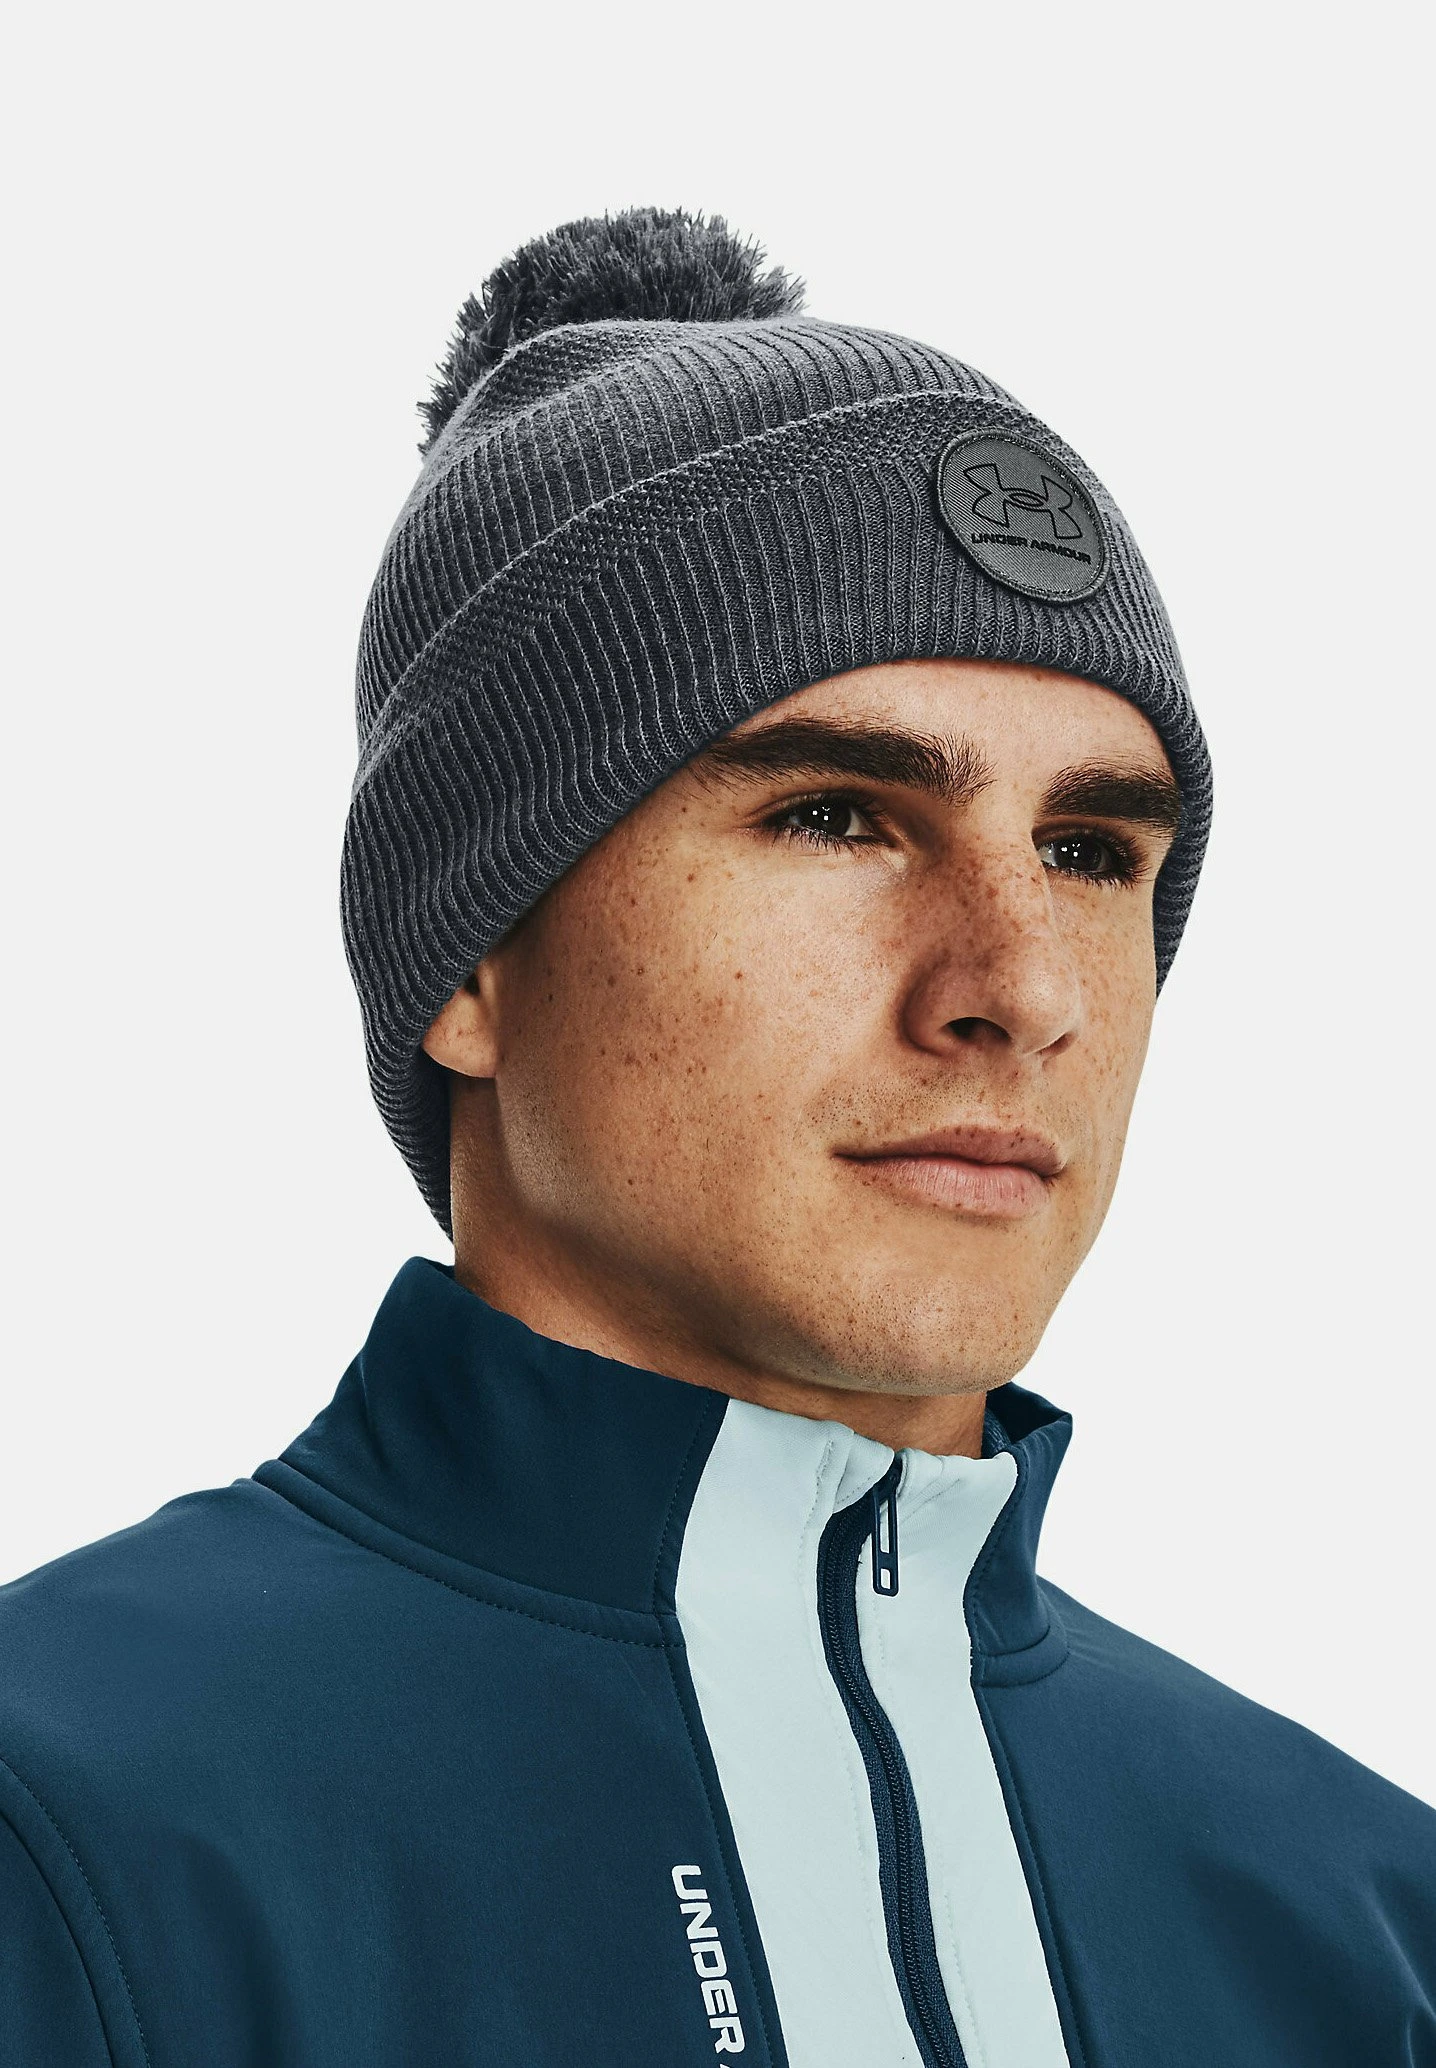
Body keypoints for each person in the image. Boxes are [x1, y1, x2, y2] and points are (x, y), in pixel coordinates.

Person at [2, 206, 1431, 2068]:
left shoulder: (1366, 1928)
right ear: (470, 958)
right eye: (837, 816)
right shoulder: (65, 1824)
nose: (1018, 987)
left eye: (1091, 852)